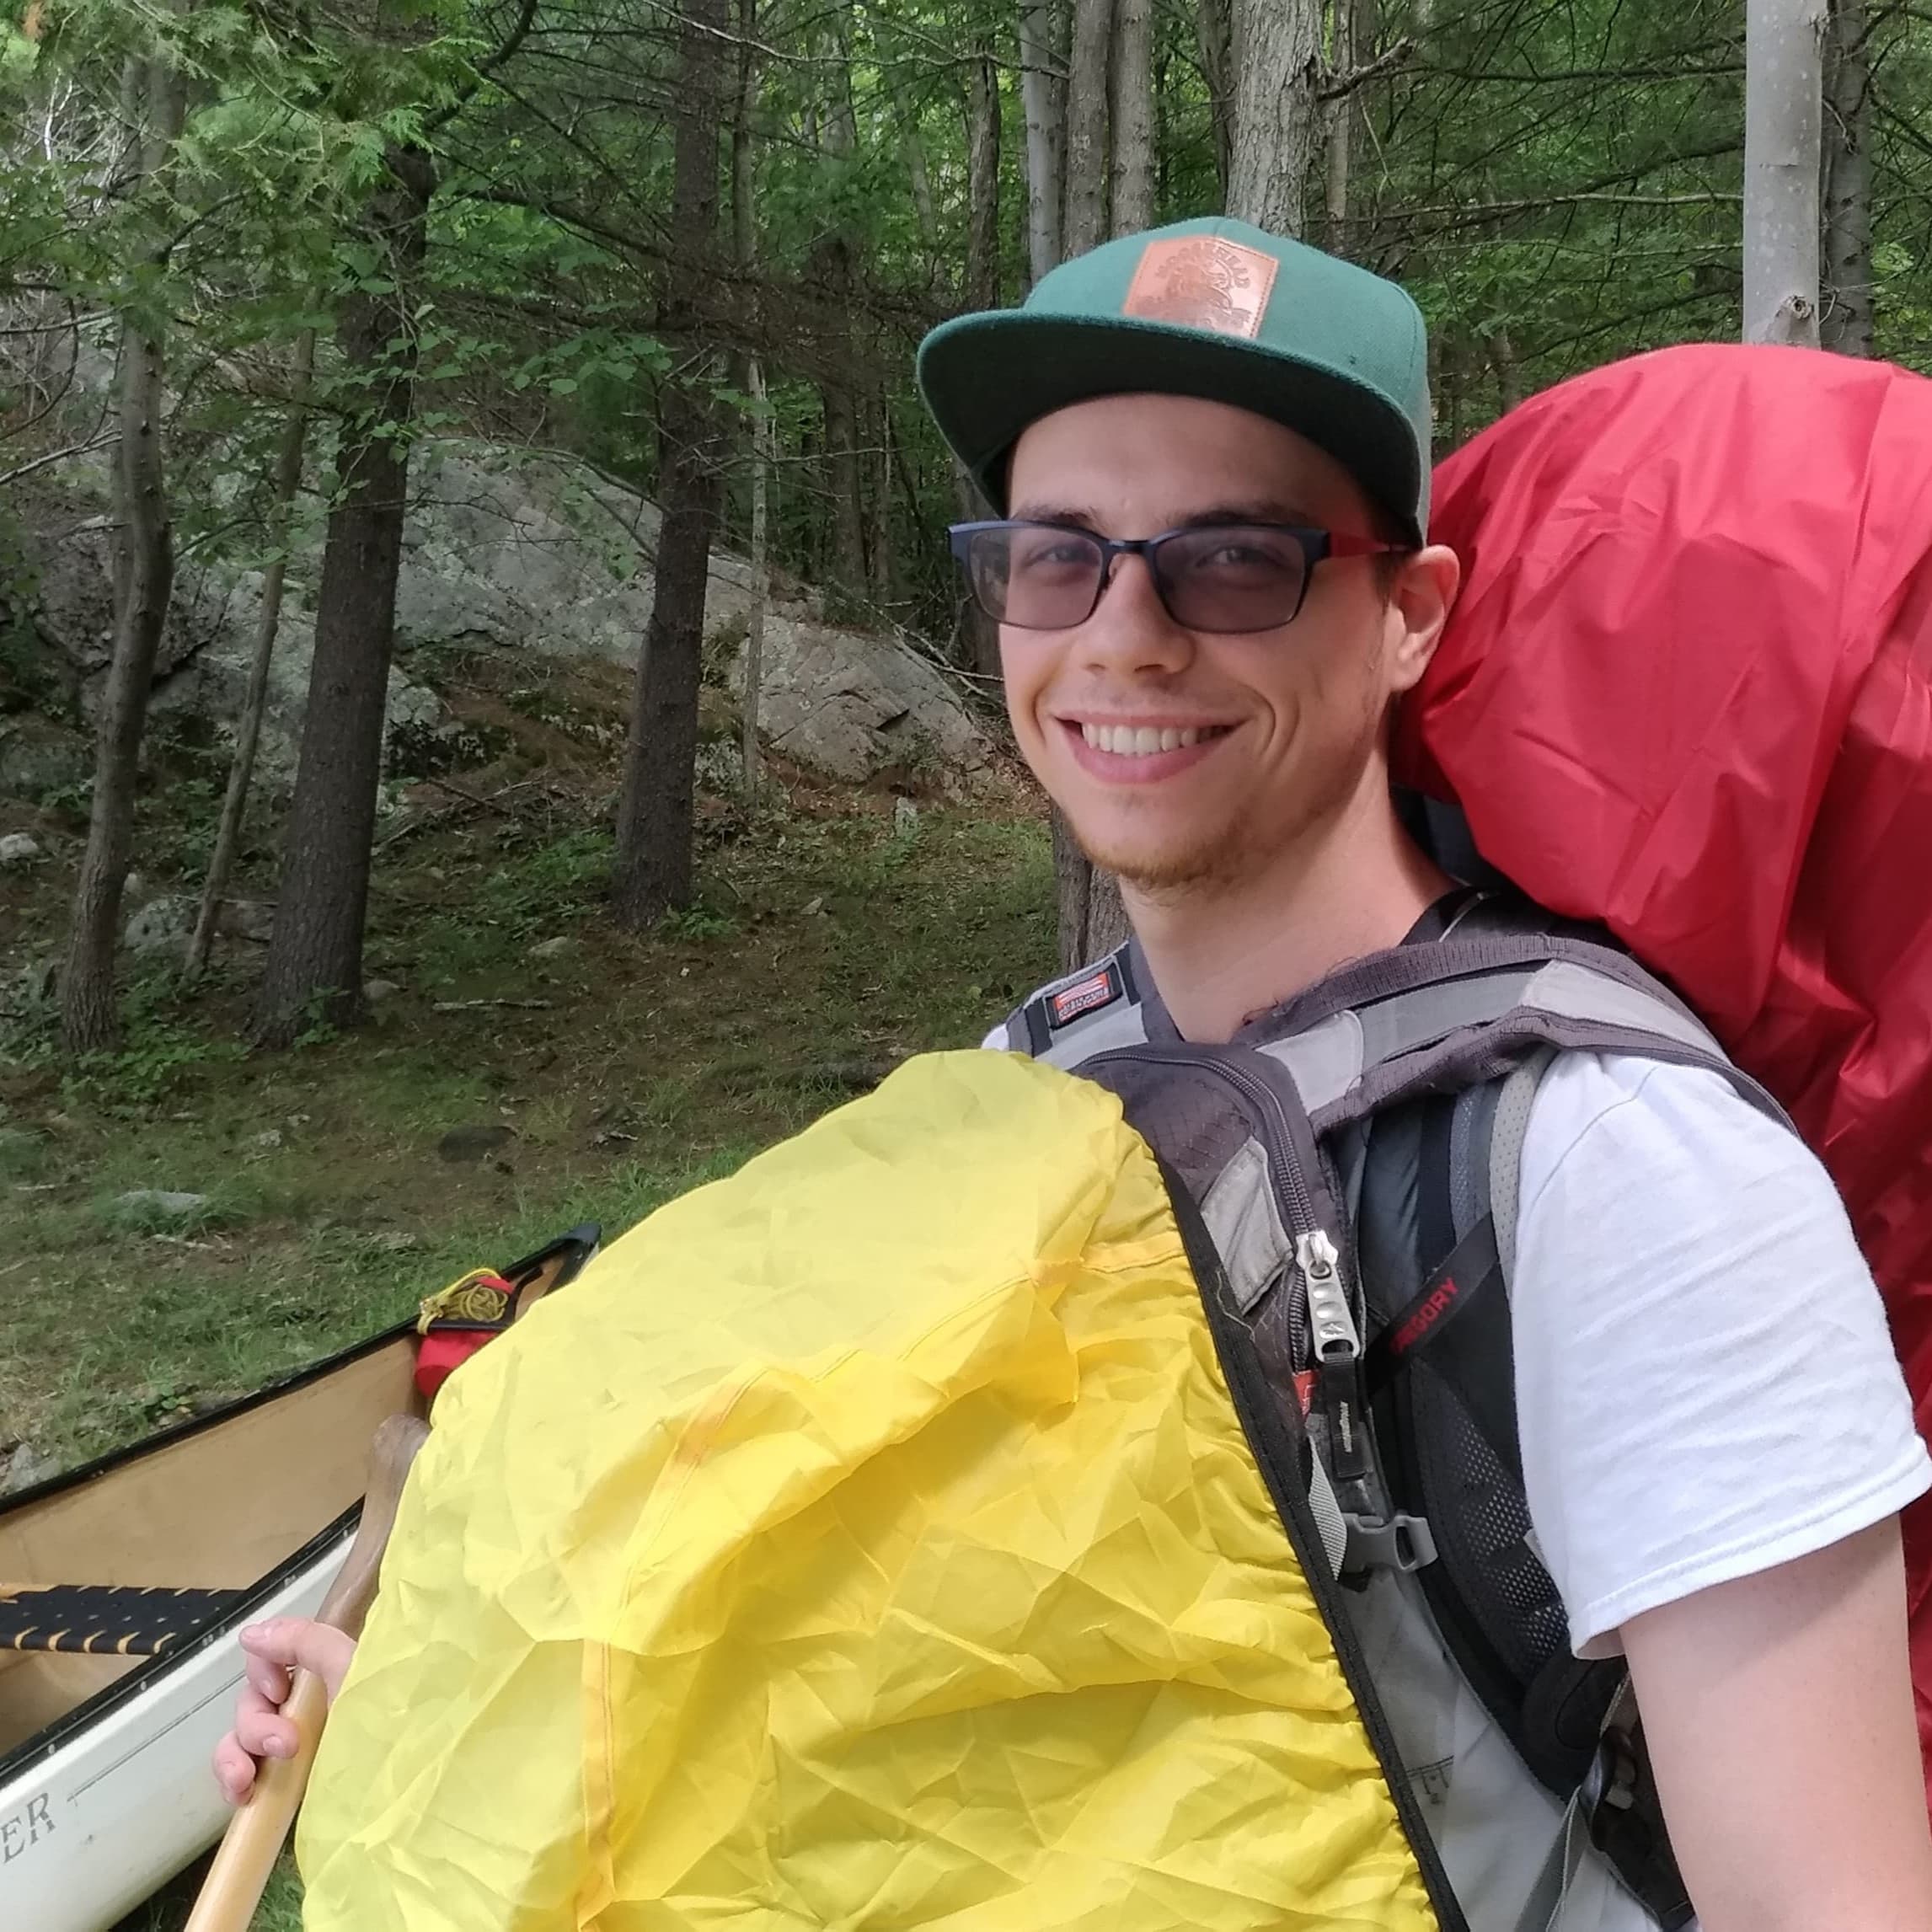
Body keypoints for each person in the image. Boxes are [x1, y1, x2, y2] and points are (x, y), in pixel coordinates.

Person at [216, 217, 1932, 1929]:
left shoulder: (1616, 1175)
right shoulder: (1039, 1080)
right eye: (1057, 555)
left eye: (1234, 558)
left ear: (1411, 616)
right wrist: (441, 1714)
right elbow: (904, 1702)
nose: (1123, 635)